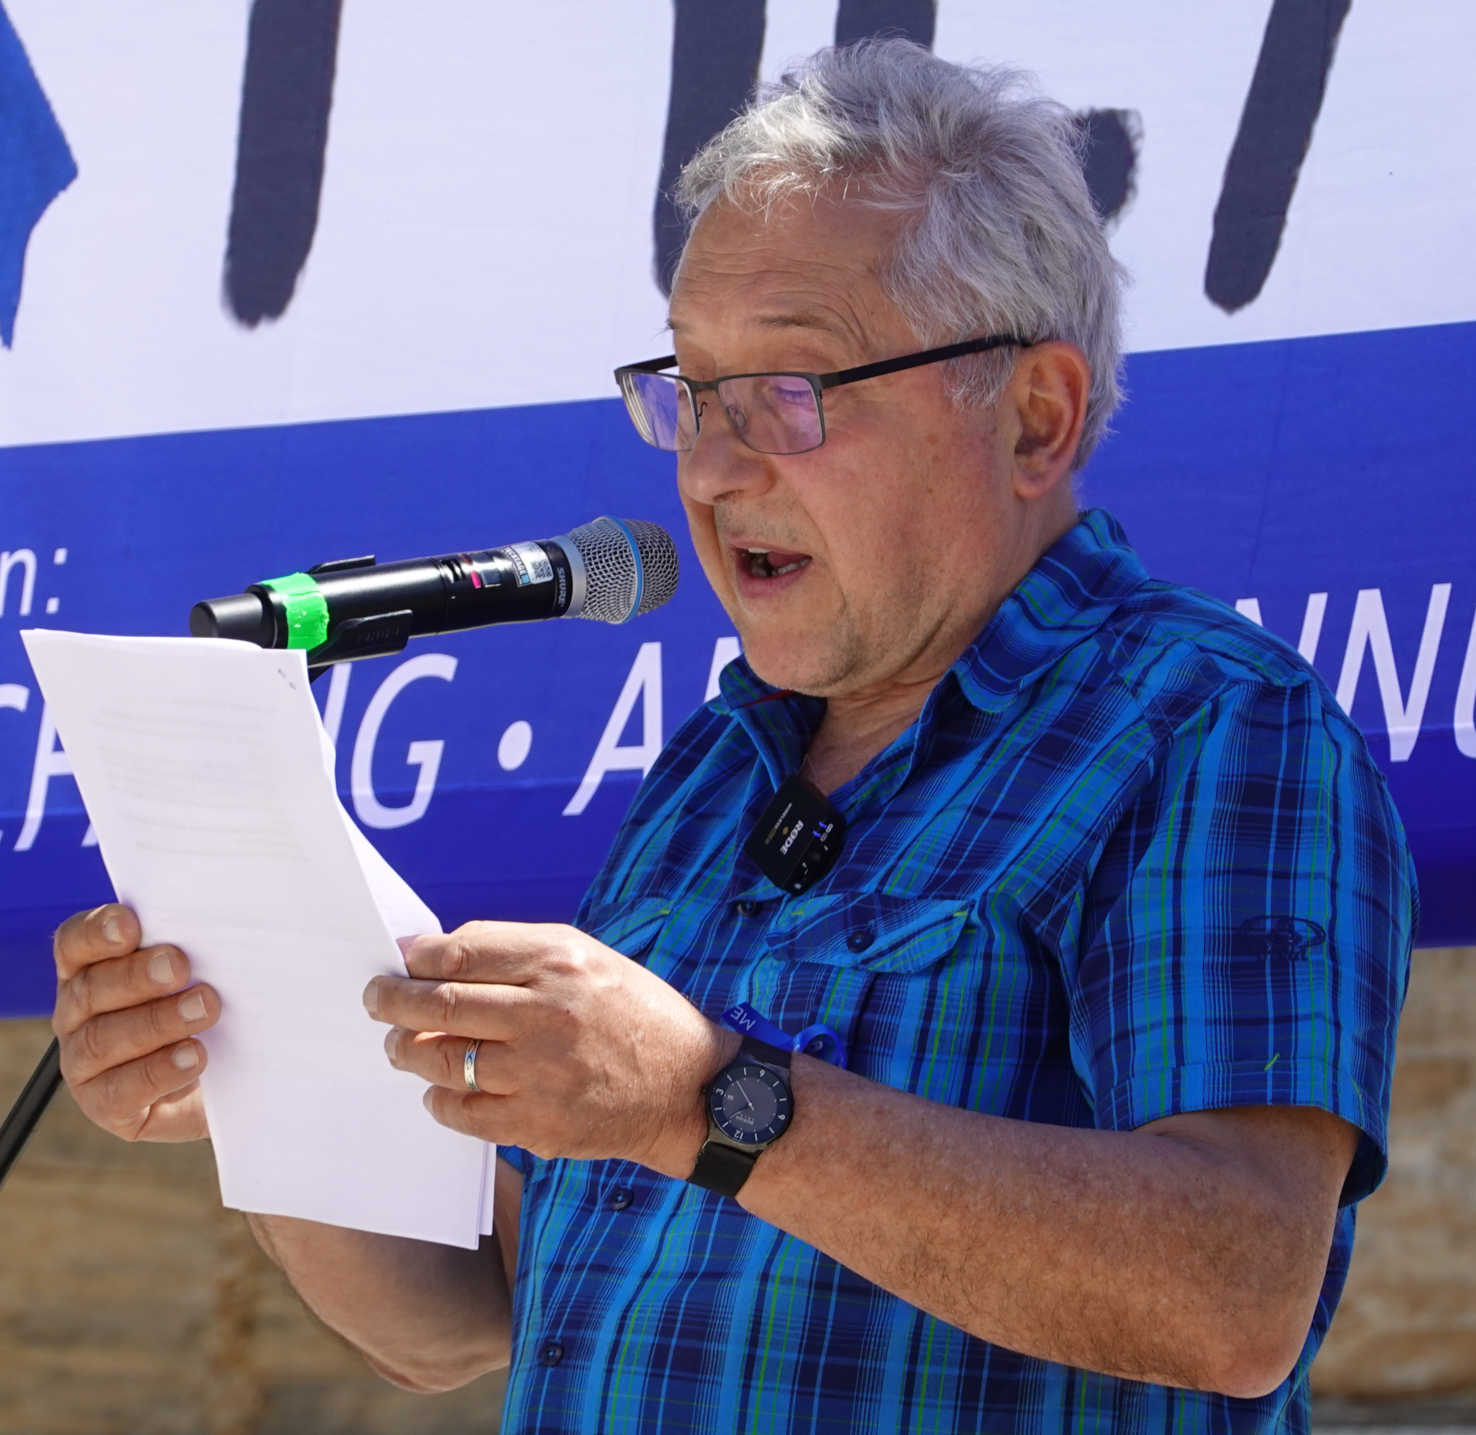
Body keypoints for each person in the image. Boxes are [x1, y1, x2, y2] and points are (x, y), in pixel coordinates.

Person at [48, 40, 1414, 1435]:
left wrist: (708, 1103)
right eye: (691, 392)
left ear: (1034, 417)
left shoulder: (1207, 723)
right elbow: (475, 1317)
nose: (708, 465)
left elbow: (1235, 1290)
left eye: (790, 392)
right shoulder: (713, 774)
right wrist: (254, 1083)